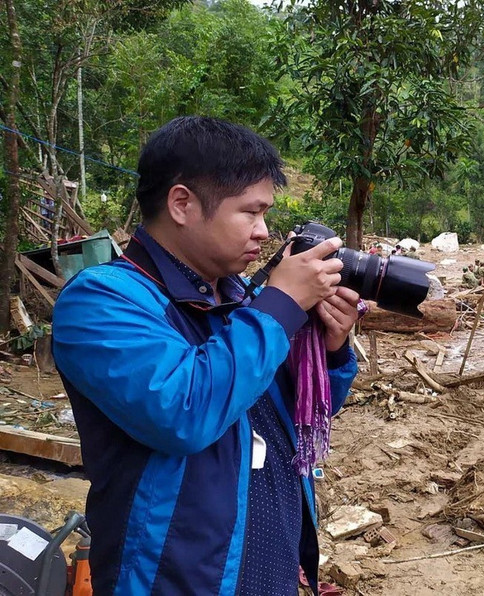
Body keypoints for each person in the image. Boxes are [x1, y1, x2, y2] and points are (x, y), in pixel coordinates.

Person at [52, 116, 359, 595]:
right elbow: (182, 412)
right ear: (182, 204)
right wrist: (279, 306)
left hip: (268, 560)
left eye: (266, 215)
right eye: (250, 213)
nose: (263, 232)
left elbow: (295, 417)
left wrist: (332, 350)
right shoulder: (101, 301)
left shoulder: (238, 298)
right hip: (178, 578)